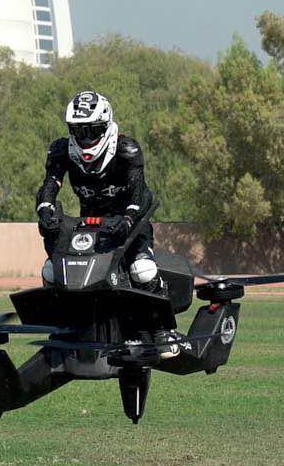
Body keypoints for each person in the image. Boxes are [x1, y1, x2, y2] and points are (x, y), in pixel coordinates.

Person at [35, 90, 182, 357]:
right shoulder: (60, 150)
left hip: (130, 220)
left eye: (92, 131)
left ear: (105, 125)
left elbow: (138, 194)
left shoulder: (127, 150)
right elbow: (49, 186)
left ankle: (164, 331)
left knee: (143, 270)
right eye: (79, 131)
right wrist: (44, 210)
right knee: (52, 272)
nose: (86, 139)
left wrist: (127, 219)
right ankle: (65, 328)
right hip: (89, 224)